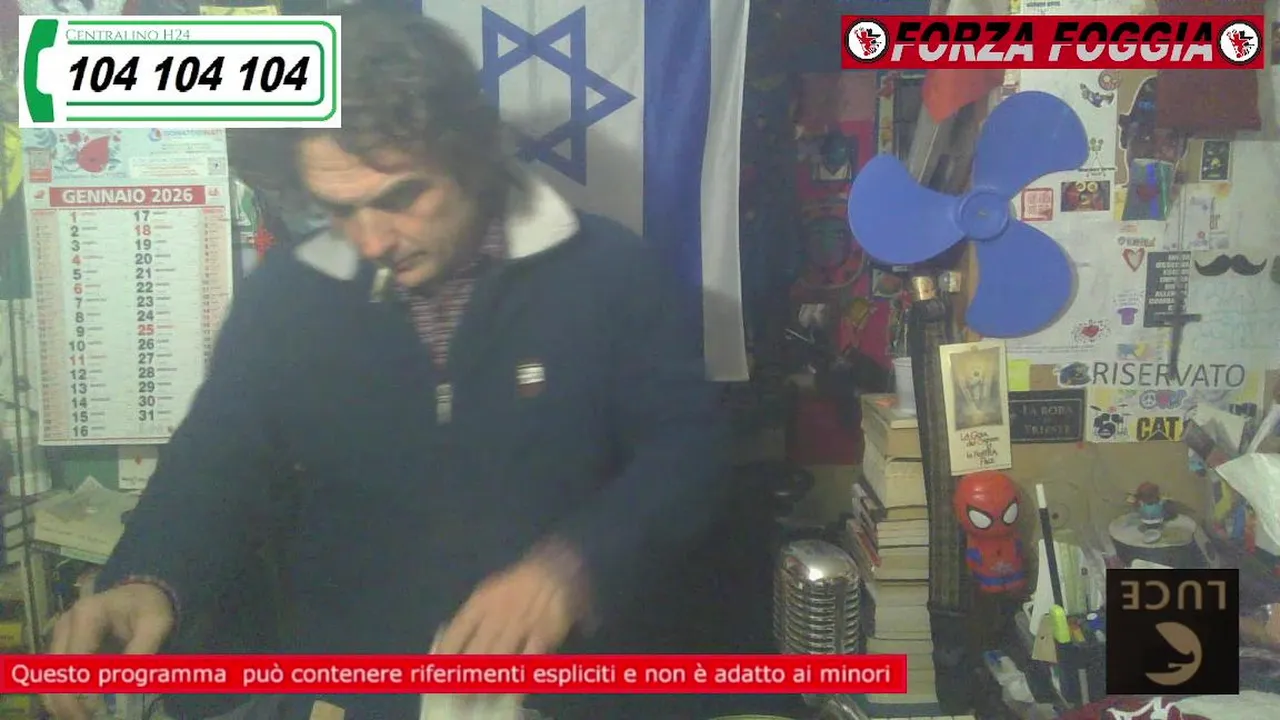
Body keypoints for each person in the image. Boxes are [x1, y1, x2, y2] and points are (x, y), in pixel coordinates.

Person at [42, 5, 728, 719]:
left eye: (401, 196)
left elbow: (687, 456)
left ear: (473, 156)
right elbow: (215, 460)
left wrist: (575, 566)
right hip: (356, 689)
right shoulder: (290, 296)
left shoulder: (611, 272)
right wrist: (149, 579)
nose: (371, 241)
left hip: (570, 689)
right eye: (339, 209)